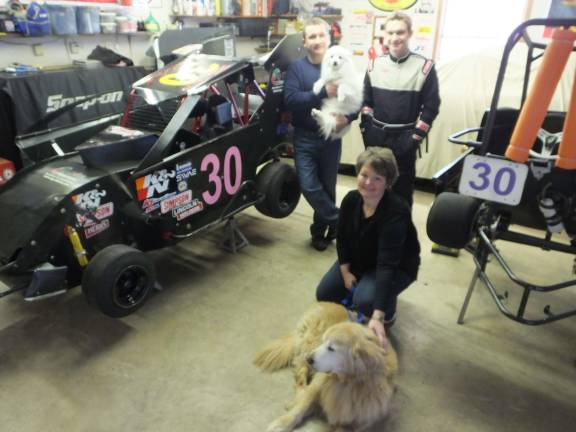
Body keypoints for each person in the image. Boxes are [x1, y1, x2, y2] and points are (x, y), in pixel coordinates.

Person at [316, 147, 420, 347]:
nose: (369, 183)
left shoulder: (396, 212)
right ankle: (367, 291)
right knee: (324, 294)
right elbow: (343, 240)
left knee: (364, 300)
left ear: (388, 182)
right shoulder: (351, 200)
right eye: (364, 175)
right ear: (357, 174)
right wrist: (345, 272)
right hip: (359, 258)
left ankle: (388, 311)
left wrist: (378, 316)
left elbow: (387, 264)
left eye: (378, 178)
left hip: (395, 266)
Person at [283, 17, 353, 251]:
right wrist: (321, 93)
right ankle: (343, 223)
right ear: (304, 42)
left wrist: (348, 118)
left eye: (321, 35)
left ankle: (320, 232)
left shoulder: (341, 65)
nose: (317, 40)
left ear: (329, 38)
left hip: (331, 139)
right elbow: (290, 99)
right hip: (305, 137)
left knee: (327, 187)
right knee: (309, 186)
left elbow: (356, 98)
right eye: (312, 36)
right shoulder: (297, 69)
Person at [362, 12, 440, 207]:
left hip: (405, 139)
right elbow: (366, 102)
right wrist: (367, 131)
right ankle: (371, 233)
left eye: (400, 32)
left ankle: (398, 235)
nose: (395, 38)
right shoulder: (374, 65)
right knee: (372, 191)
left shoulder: (424, 67)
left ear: (409, 33)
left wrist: (414, 138)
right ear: (385, 36)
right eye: (391, 33)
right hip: (376, 139)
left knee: (401, 195)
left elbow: (431, 107)